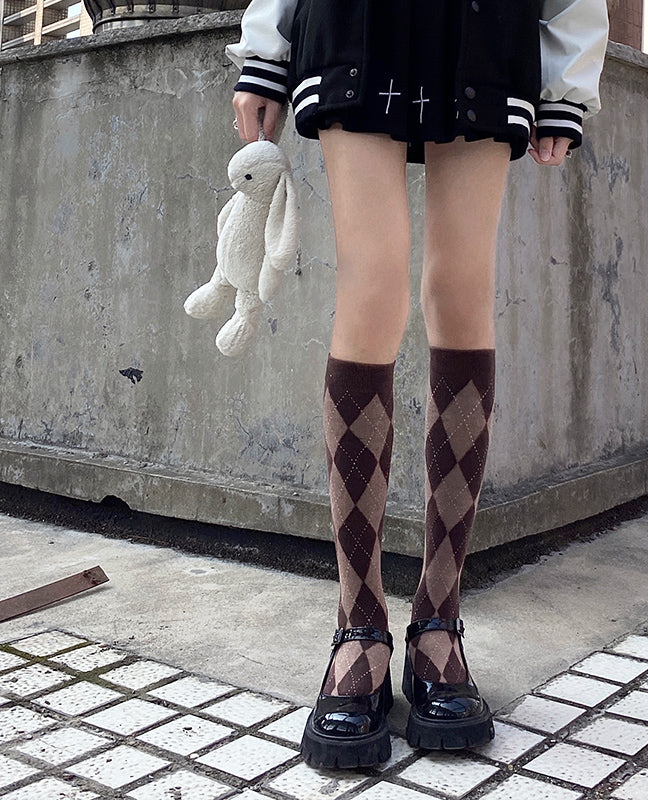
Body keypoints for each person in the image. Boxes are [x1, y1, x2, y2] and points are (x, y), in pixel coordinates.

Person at [227, 0, 608, 770]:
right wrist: (264, 51)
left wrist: (567, 83)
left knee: (462, 290)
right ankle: (359, 623)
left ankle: (439, 616)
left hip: (483, 25)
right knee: (371, 288)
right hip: (356, 22)